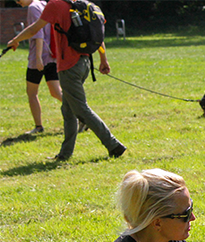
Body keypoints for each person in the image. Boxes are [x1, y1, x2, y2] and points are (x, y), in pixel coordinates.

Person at [6, 0, 126, 161]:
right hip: (84, 63)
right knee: (68, 110)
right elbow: (96, 34)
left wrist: (15, 39)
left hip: (68, 66)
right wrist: (103, 59)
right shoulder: (79, 3)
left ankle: (113, 145)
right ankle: (65, 154)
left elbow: (35, 28)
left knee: (81, 109)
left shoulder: (55, 5)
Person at [16, 0, 62, 135]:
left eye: (18, 0)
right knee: (56, 92)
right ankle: (82, 116)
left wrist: (38, 59)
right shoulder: (43, 3)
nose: (18, 2)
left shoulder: (33, 7)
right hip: (52, 55)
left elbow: (38, 34)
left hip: (40, 58)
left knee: (31, 92)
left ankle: (38, 126)